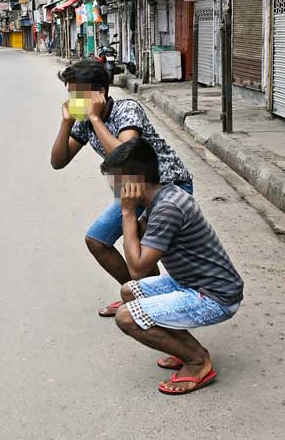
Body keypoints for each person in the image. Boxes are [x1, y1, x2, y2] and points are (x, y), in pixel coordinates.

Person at [50, 60, 194, 317]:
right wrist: (66, 123)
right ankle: (139, 295)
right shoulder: (84, 123)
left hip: (167, 188)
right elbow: (58, 162)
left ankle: (158, 306)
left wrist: (94, 118)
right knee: (97, 240)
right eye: (70, 94)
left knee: (138, 245)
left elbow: (126, 155)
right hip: (133, 192)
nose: (73, 101)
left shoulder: (128, 110)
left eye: (78, 95)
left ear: (100, 93)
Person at [102, 138, 243, 395]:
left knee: (126, 316)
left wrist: (126, 213)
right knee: (129, 291)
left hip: (215, 296)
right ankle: (185, 348)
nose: (114, 189)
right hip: (192, 282)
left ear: (135, 182)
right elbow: (143, 241)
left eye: (116, 182)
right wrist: (134, 214)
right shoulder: (162, 196)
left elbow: (138, 267)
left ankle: (197, 361)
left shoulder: (168, 207)